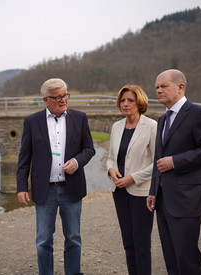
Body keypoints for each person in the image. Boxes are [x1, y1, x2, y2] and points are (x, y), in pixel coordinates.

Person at [16, 78, 95, 275]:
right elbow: (24, 158)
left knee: (74, 237)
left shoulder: (80, 117)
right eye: (57, 97)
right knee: (43, 240)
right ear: (45, 100)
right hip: (45, 189)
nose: (63, 100)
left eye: (65, 95)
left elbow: (89, 149)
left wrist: (77, 162)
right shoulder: (32, 122)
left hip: (72, 188)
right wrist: (21, 187)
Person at [146, 69, 201, 275]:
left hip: (188, 199)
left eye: (163, 86)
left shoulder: (199, 114)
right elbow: (158, 159)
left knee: (187, 259)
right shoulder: (162, 120)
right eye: (157, 87)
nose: (159, 90)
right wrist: (153, 191)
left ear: (180, 87)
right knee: (171, 257)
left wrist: (176, 161)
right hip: (163, 199)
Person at [107, 84, 157, 275]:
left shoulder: (151, 126)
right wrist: (111, 169)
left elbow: (156, 163)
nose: (125, 104)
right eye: (122, 100)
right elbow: (111, 156)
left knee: (141, 244)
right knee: (128, 242)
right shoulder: (116, 126)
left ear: (140, 103)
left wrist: (132, 178)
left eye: (130, 100)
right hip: (119, 192)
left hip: (141, 192)